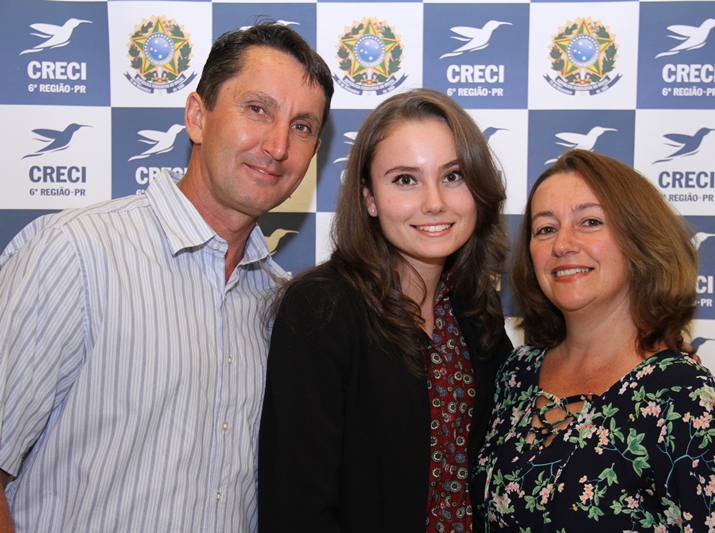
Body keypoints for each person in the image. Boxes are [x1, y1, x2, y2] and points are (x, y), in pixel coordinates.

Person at [0, 22, 333, 532]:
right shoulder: (75, 253)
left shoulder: (280, 302)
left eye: (302, 126)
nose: (278, 145)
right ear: (197, 117)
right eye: (257, 109)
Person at [259, 88, 513, 532]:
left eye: (453, 176)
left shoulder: (475, 311)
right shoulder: (321, 309)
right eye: (405, 179)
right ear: (369, 198)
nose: (434, 202)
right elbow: (297, 509)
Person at [472, 150, 715, 532]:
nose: (562, 244)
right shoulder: (517, 373)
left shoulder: (692, 404)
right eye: (545, 229)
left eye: (590, 222)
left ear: (638, 239)